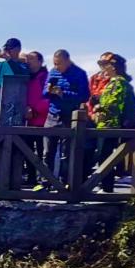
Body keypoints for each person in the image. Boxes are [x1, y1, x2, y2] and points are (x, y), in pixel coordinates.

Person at [0, 37, 34, 183]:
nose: (7, 52)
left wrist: (9, 59)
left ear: (18, 50)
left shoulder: (23, 66)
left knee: (13, 141)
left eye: (10, 49)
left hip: (12, 108)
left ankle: (11, 175)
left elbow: (22, 76)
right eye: (6, 49)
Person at [91, 52, 135, 191]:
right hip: (105, 124)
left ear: (114, 67)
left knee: (106, 155)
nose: (103, 68)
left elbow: (114, 103)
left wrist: (100, 106)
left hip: (112, 124)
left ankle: (107, 187)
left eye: (106, 65)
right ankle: (105, 185)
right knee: (103, 155)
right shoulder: (113, 82)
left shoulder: (119, 82)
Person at [45, 48, 90, 180]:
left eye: (58, 64)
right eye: (54, 63)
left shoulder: (79, 74)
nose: (56, 67)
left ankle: (65, 181)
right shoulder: (53, 72)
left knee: (67, 152)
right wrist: (48, 91)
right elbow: (43, 93)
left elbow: (84, 96)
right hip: (53, 114)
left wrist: (63, 93)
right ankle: (46, 181)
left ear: (67, 61)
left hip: (69, 116)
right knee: (48, 151)